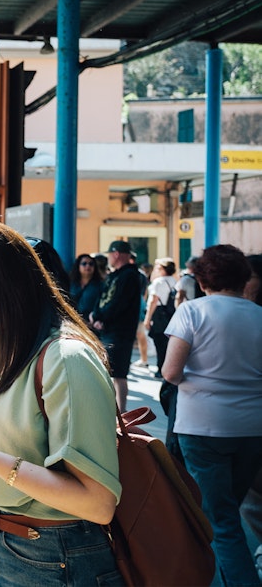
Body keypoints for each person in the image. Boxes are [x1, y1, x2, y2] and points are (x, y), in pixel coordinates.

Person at [0, 221, 122, 587]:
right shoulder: (11, 350)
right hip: (2, 544)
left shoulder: (66, 358)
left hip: (51, 555)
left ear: (1, 288)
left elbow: (97, 502)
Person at [161, 244, 262, 587]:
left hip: (202, 426)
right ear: (243, 278)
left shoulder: (191, 312)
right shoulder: (258, 314)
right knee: (226, 511)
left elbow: (171, 372)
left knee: (221, 520)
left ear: (202, 279)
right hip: (251, 427)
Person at [90, 239, 142, 412]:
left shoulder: (130, 276)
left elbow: (119, 303)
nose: (109, 258)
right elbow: (103, 297)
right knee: (110, 372)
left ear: (116, 254)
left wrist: (102, 318)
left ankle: (121, 411)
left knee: (118, 374)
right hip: (109, 330)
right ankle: (114, 409)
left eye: (110, 254)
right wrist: (96, 315)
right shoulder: (115, 275)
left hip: (120, 332)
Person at [143, 257, 178, 371]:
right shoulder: (174, 280)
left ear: (163, 268)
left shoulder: (159, 282)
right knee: (167, 343)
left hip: (159, 314)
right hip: (170, 314)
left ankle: (161, 368)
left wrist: (147, 319)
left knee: (159, 343)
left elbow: (153, 300)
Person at [69, 252, 105, 322]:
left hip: (91, 323)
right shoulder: (71, 283)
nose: (88, 266)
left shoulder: (100, 285)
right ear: (78, 266)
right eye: (84, 264)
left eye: (91, 264)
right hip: (72, 322)